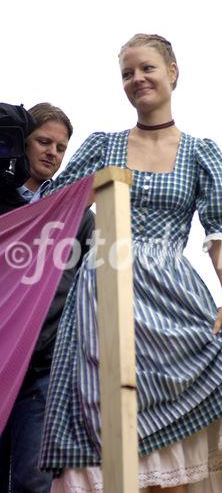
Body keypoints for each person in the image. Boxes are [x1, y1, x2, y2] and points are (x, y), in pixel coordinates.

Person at [39, 34, 222, 492]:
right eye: (127, 73)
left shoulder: (202, 152)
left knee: (174, 455)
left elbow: (220, 233)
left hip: (172, 297)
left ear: (172, 72)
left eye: (147, 68)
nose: (137, 79)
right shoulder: (104, 145)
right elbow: (55, 207)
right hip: (102, 290)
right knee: (103, 424)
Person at [0, 103, 95, 493]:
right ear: (23, 143)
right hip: (3, 353)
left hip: (44, 366)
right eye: (43, 141)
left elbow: (96, 283)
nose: (52, 152)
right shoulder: (3, 202)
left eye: (61, 146)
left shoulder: (79, 217)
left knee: (32, 479)